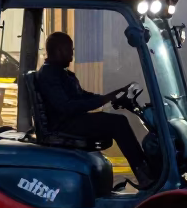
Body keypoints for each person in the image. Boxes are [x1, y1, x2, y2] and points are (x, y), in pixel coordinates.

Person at [36, 31, 153, 187]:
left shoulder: (61, 73)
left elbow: (83, 96)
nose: (72, 55)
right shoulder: (49, 75)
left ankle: (145, 169)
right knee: (118, 123)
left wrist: (111, 95)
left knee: (118, 121)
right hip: (64, 124)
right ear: (58, 50)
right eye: (69, 50)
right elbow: (66, 106)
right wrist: (102, 100)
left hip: (72, 120)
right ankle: (144, 174)